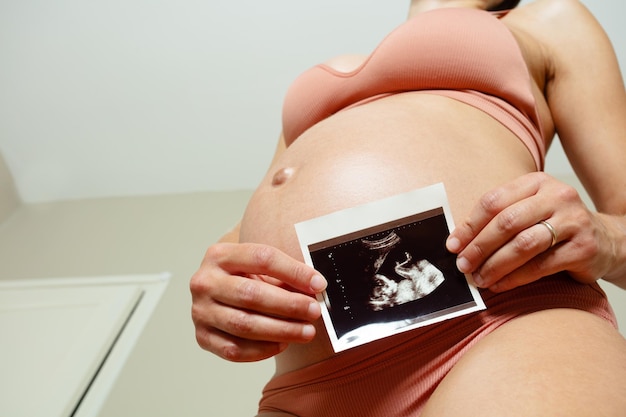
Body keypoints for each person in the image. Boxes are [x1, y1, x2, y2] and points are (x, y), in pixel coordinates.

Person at [190, 0, 626, 415]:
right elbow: (256, 218)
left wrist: (605, 237)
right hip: (306, 383)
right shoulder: (327, 93)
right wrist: (223, 282)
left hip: (498, 330)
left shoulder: (548, 20)